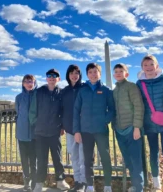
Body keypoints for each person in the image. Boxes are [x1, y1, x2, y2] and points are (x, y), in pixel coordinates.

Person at [73, 63, 115, 192]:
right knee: (88, 159)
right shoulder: (82, 90)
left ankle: (108, 185)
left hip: (101, 130)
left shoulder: (106, 90)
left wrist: (104, 121)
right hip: (85, 131)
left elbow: (112, 109)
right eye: (90, 72)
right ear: (87, 74)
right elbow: (76, 110)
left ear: (99, 74)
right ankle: (89, 185)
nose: (93, 74)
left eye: (95, 71)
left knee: (105, 157)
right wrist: (77, 131)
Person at [136, 55, 163, 192]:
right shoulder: (140, 83)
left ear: (156, 66)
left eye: (151, 64)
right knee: (153, 153)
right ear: (142, 68)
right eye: (145, 65)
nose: (149, 68)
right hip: (149, 123)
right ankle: (156, 182)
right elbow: (138, 103)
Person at [29, 69, 70, 192]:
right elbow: (32, 111)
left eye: (55, 76)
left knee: (57, 158)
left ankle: (60, 181)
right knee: (41, 159)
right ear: (46, 78)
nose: (52, 78)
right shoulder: (39, 92)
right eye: (49, 76)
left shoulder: (61, 93)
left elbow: (64, 111)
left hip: (55, 131)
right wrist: (36, 124)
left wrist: (62, 126)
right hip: (40, 132)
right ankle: (39, 183)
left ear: (58, 79)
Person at [113, 63, 144, 192]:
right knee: (128, 159)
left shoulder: (131, 87)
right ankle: (135, 185)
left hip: (132, 129)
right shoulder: (114, 91)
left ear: (127, 73)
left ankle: (139, 187)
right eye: (116, 71)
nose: (118, 73)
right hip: (119, 131)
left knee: (136, 159)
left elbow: (139, 106)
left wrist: (137, 127)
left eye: (121, 71)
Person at [61, 65, 86, 192]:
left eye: (77, 73)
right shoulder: (64, 91)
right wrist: (61, 126)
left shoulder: (84, 88)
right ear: (68, 75)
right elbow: (61, 110)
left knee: (84, 157)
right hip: (70, 129)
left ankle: (83, 182)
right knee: (74, 156)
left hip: (84, 129)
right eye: (71, 73)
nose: (74, 75)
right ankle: (77, 181)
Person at [15, 74, 37, 191]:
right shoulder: (18, 98)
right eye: (27, 81)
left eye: (31, 81)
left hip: (34, 135)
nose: (29, 83)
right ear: (23, 84)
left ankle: (34, 181)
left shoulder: (38, 96)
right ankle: (26, 181)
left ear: (34, 83)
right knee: (24, 160)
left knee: (34, 160)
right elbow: (18, 113)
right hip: (22, 134)